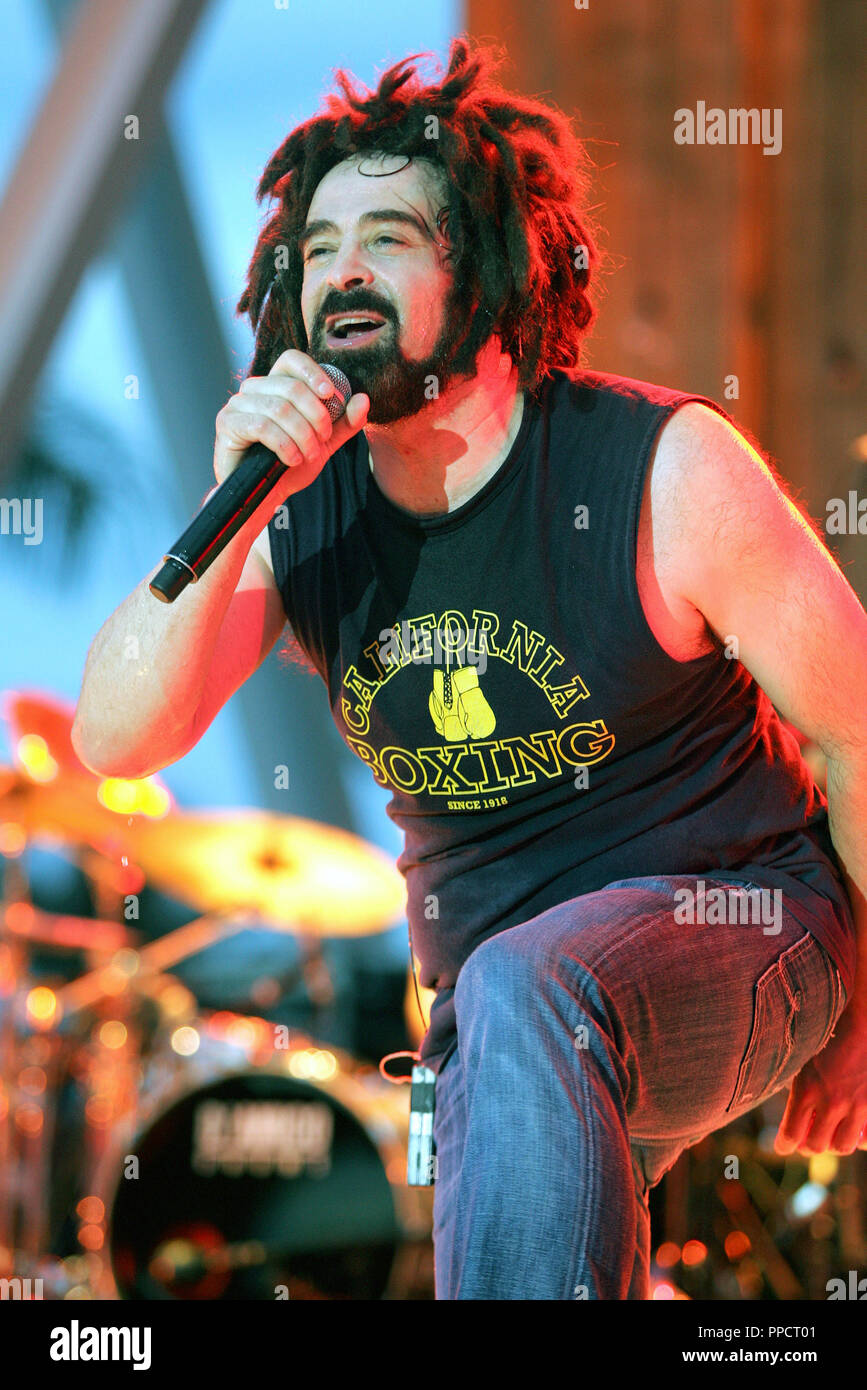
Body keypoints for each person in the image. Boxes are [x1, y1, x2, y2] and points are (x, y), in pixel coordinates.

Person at [72, 37, 867, 1300]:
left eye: (388, 237)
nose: (343, 270)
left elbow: (857, 729)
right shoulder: (302, 512)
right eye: (319, 248)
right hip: (491, 1029)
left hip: (752, 931)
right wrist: (232, 511)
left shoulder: (661, 470)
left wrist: (863, 1005)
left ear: (489, 271)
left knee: (529, 983)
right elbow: (115, 737)